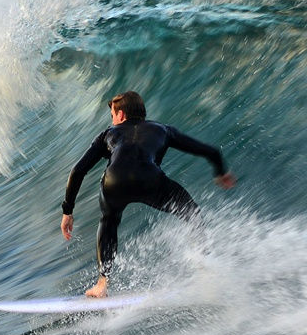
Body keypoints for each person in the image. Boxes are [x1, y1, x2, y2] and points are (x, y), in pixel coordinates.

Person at [60, 91, 236, 298]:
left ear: (121, 114)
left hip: (114, 182)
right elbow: (210, 151)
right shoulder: (163, 130)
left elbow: (78, 171)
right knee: (192, 212)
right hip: (150, 179)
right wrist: (221, 172)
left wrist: (67, 211)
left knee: (108, 222)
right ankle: (205, 267)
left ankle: (102, 284)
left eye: (113, 115)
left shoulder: (108, 134)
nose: (113, 120)